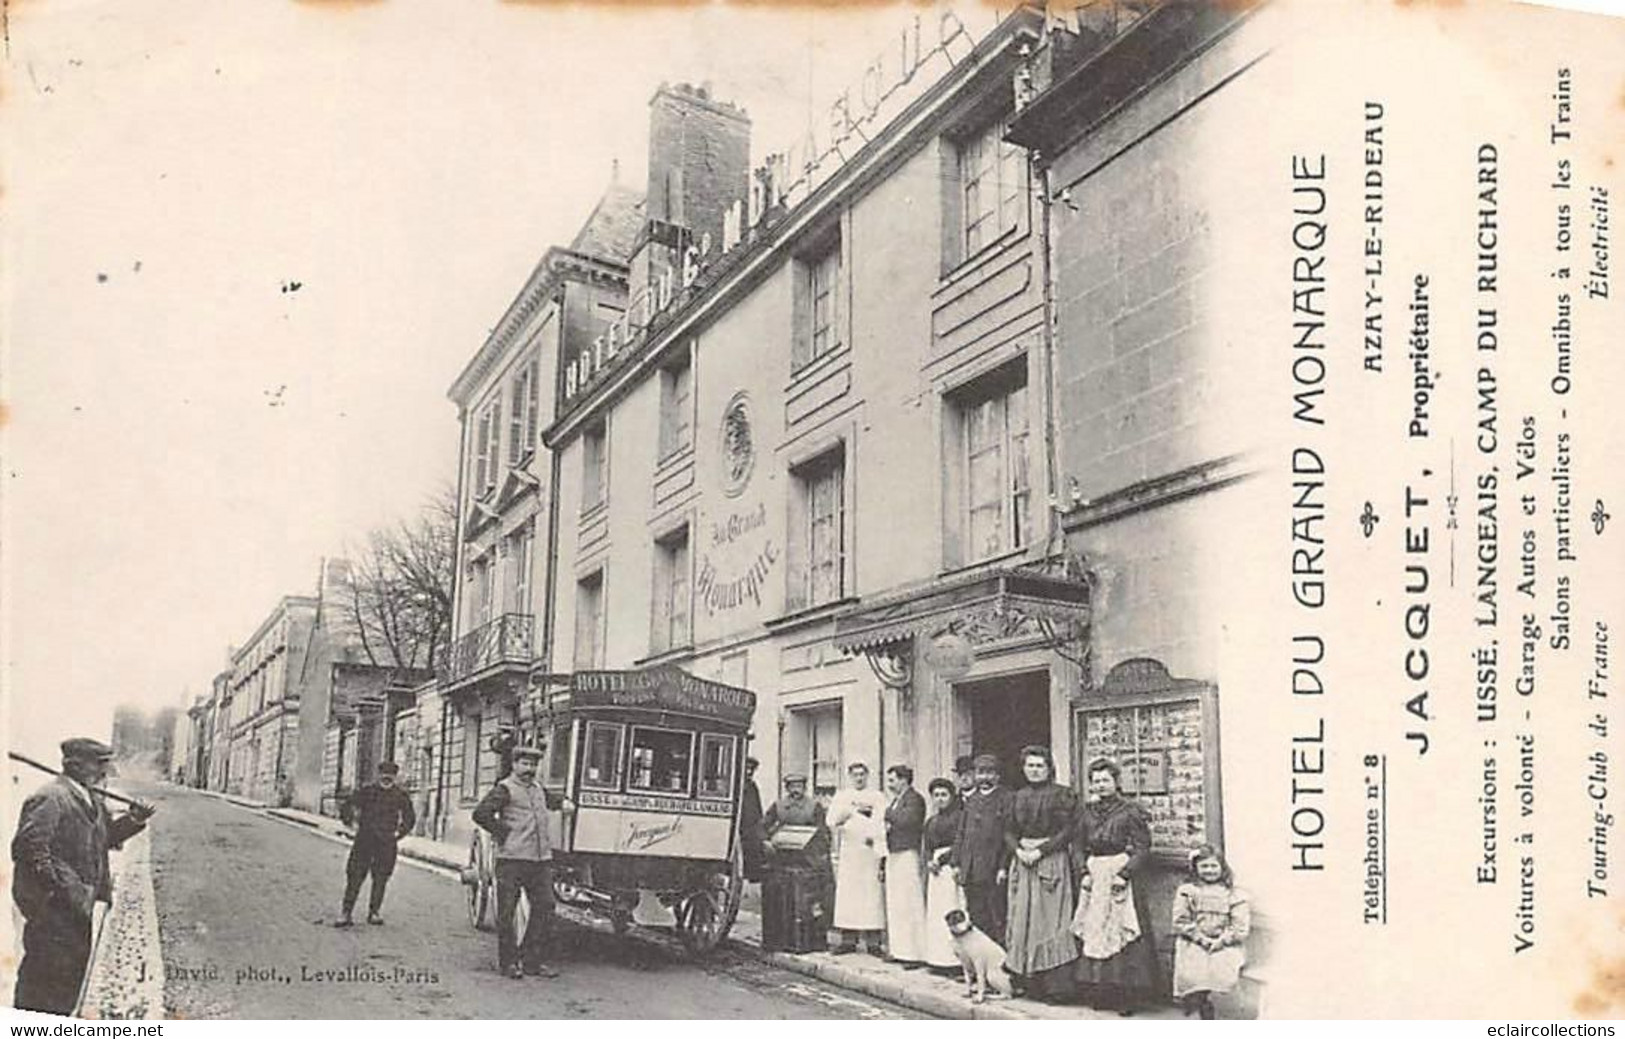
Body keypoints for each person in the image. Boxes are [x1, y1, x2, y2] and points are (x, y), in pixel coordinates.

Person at [11, 738, 154, 1016]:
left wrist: (134, 819)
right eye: (100, 765)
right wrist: (62, 890)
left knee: (68, 983)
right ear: (76, 766)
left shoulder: (91, 799)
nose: (105, 773)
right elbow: (29, 850)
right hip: (53, 913)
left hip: (78, 910)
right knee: (41, 989)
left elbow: (105, 837)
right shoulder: (51, 797)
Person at [472, 743, 576, 980]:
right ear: (515, 764)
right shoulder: (504, 789)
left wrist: (564, 803)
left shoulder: (538, 789)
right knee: (507, 913)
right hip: (512, 860)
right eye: (525, 764)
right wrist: (503, 833)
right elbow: (480, 813)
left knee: (546, 906)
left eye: (533, 765)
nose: (530, 769)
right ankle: (508, 963)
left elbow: (553, 800)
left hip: (540, 861)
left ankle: (531, 961)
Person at [1074, 757, 1159, 1013]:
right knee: (1096, 929)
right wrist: (1083, 871)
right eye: (1096, 781)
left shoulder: (1130, 811)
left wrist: (1125, 873)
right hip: (1095, 873)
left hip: (1120, 874)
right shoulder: (1087, 812)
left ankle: (1127, 994)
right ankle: (1103, 990)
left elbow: (1143, 847)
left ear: (1116, 781)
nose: (1101, 785)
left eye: (1105, 780)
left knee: (1123, 930)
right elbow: (1077, 845)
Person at [1004, 745, 1079, 1001]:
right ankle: (1028, 982)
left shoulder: (1062, 795)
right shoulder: (1017, 796)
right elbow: (1008, 830)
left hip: (1050, 861)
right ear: (1023, 768)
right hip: (1023, 861)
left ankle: (1056, 987)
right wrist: (1018, 850)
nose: (1034, 771)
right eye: (1030, 766)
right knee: (1023, 920)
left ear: (1049, 768)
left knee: (1051, 921)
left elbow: (1068, 830)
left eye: (1039, 766)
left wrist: (1041, 851)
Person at [1171, 845, 1250, 1019]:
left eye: (1213, 866)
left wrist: (1221, 941)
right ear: (1196, 869)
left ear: (1222, 868)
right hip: (1194, 941)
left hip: (1225, 944)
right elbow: (1180, 921)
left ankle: (1212, 1007)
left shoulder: (1234, 894)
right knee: (1194, 973)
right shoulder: (1187, 891)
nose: (1209, 870)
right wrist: (1202, 939)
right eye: (1204, 866)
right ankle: (1201, 1006)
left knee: (1222, 974)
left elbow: (1240, 927)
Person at [335, 760, 415, 927]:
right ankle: (346, 912)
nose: (387, 779)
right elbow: (348, 805)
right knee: (355, 876)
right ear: (379, 775)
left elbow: (409, 818)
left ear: (395, 777)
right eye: (384, 775)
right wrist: (350, 824)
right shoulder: (367, 791)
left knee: (381, 878)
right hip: (365, 839)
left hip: (386, 842)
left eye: (390, 776)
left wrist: (399, 834)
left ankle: (374, 912)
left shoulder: (400, 795)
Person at [761, 773, 833, 951]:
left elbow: (824, 834)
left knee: (809, 904)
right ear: (786, 788)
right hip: (783, 862)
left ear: (805, 787)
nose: (795, 791)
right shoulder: (778, 806)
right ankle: (779, 941)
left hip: (807, 863)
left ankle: (810, 942)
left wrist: (816, 853)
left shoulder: (814, 807)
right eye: (792, 786)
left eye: (799, 786)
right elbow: (762, 827)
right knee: (778, 899)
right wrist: (766, 842)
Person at [951, 753, 1011, 945]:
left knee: (997, 915)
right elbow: (962, 833)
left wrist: (1003, 866)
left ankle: (999, 962)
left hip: (992, 869)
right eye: (980, 772)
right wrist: (956, 863)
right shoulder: (972, 800)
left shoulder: (1007, 798)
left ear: (998, 776)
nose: (984, 777)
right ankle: (981, 962)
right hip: (971, 869)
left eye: (989, 773)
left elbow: (1009, 835)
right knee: (976, 915)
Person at [827, 761, 886, 954]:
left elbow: (882, 821)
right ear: (849, 776)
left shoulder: (877, 796)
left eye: (862, 774)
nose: (859, 778)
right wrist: (846, 814)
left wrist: (875, 839)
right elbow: (831, 821)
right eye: (855, 775)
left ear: (867, 776)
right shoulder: (842, 796)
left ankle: (873, 942)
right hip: (850, 851)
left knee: (871, 895)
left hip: (870, 851)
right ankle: (848, 940)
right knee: (849, 895)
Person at [881, 764, 927, 968]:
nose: (889, 784)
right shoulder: (897, 801)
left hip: (907, 853)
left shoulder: (914, 799)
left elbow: (908, 821)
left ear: (904, 780)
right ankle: (899, 950)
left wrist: (886, 814)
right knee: (897, 903)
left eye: (892, 780)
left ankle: (914, 953)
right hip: (894, 853)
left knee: (910, 902)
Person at [921, 777, 967, 974]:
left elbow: (960, 843)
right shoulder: (931, 821)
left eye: (944, 795)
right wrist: (930, 861)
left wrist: (943, 860)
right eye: (936, 795)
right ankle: (937, 959)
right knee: (936, 912)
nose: (940, 799)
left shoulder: (959, 818)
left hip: (951, 867)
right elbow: (928, 846)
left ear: (951, 796)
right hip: (936, 872)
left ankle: (955, 962)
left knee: (953, 908)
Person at [738, 756, 766, 883]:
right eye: (747, 768)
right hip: (739, 826)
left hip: (750, 828)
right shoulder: (737, 785)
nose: (749, 772)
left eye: (751, 769)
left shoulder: (753, 787)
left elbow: (757, 809)